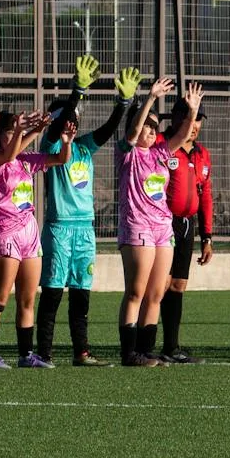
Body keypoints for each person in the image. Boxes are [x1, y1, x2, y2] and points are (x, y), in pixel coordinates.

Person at [35, 58, 135, 367]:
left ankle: (82, 352)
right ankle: (44, 353)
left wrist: (123, 103)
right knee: (53, 292)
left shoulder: (84, 147)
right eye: (66, 117)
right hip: (60, 228)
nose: (72, 122)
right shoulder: (50, 146)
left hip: (84, 231)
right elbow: (60, 122)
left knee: (81, 292)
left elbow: (107, 130)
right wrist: (76, 91)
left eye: (75, 117)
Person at [116, 76, 202, 367]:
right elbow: (134, 132)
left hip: (162, 229)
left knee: (156, 293)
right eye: (147, 126)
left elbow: (182, 136)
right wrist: (150, 98)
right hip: (137, 227)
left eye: (155, 127)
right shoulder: (128, 153)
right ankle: (129, 353)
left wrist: (192, 111)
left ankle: (146, 350)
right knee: (136, 291)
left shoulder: (161, 154)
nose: (151, 131)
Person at [0, 110, 65, 368]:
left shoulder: (26, 160)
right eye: (10, 132)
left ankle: (26, 355)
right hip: (4, 233)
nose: (15, 137)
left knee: (27, 298)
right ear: (0, 136)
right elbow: (9, 154)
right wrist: (28, 132)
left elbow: (60, 158)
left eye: (18, 132)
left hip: (29, 234)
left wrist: (65, 139)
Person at [161, 99, 215, 364]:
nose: (194, 126)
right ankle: (140, 345)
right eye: (190, 119)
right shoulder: (162, 145)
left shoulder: (202, 154)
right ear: (176, 120)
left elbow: (205, 196)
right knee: (158, 286)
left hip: (186, 225)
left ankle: (171, 347)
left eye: (198, 121)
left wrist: (207, 237)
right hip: (162, 223)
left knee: (178, 285)